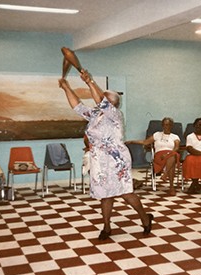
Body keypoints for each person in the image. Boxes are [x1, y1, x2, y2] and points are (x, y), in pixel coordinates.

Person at [58, 69, 153, 241]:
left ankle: (145, 218)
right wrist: (66, 87)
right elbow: (77, 106)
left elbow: (101, 101)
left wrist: (90, 82)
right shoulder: (95, 115)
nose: (100, 98)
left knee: (125, 192)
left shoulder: (115, 114)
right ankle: (107, 227)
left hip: (116, 159)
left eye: (104, 97)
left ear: (113, 103)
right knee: (105, 194)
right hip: (99, 160)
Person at [127, 117, 181, 195]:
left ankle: (166, 174)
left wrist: (168, 154)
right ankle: (171, 187)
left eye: (168, 125)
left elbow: (176, 147)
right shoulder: (157, 135)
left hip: (171, 154)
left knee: (172, 157)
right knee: (172, 160)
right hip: (159, 156)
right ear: (162, 125)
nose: (166, 126)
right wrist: (132, 141)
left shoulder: (175, 137)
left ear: (171, 126)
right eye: (165, 125)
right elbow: (145, 142)